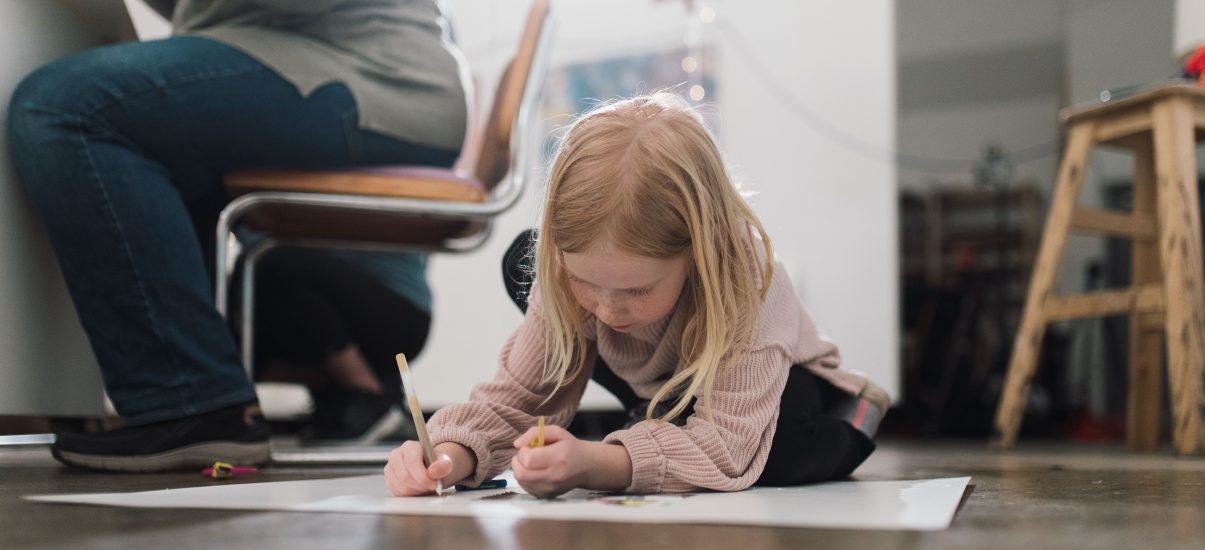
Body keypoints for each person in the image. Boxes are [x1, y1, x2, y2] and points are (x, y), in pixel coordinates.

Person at [5, 0, 467, 471]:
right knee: (134, 131)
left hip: (371, 70)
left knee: (67, 105)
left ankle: (191, 400)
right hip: (320, 56)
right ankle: (198, 401)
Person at [384, 93, 890, 498]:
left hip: (793, 391)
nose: (606, 309)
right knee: (522, 257)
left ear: (700, 250)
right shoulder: (568, 279)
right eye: (587, 282)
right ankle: (658, 428)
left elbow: (730, 447)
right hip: (668, 389)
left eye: (635, 289)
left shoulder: (747, 273)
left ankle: (851, 417)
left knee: (767, 455)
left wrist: (598, 463)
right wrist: (449, 454)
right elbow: (518, 397)